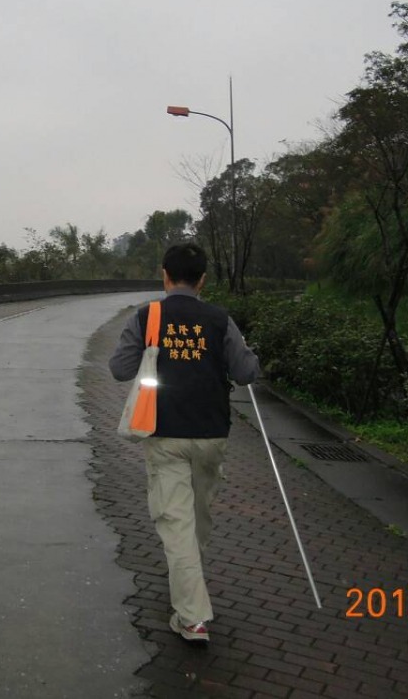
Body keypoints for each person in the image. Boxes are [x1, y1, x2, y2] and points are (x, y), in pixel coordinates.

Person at [108, 242, 259, 643]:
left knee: (176, 523)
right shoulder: (220, 319)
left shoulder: (149, 316)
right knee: (197, 516)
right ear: (203, 280)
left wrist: (151, 349)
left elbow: (119, 370)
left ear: (165, 274)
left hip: (164, 434)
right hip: (212, 434)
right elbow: (245, 372)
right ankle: (189, 583)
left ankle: (191, 617)